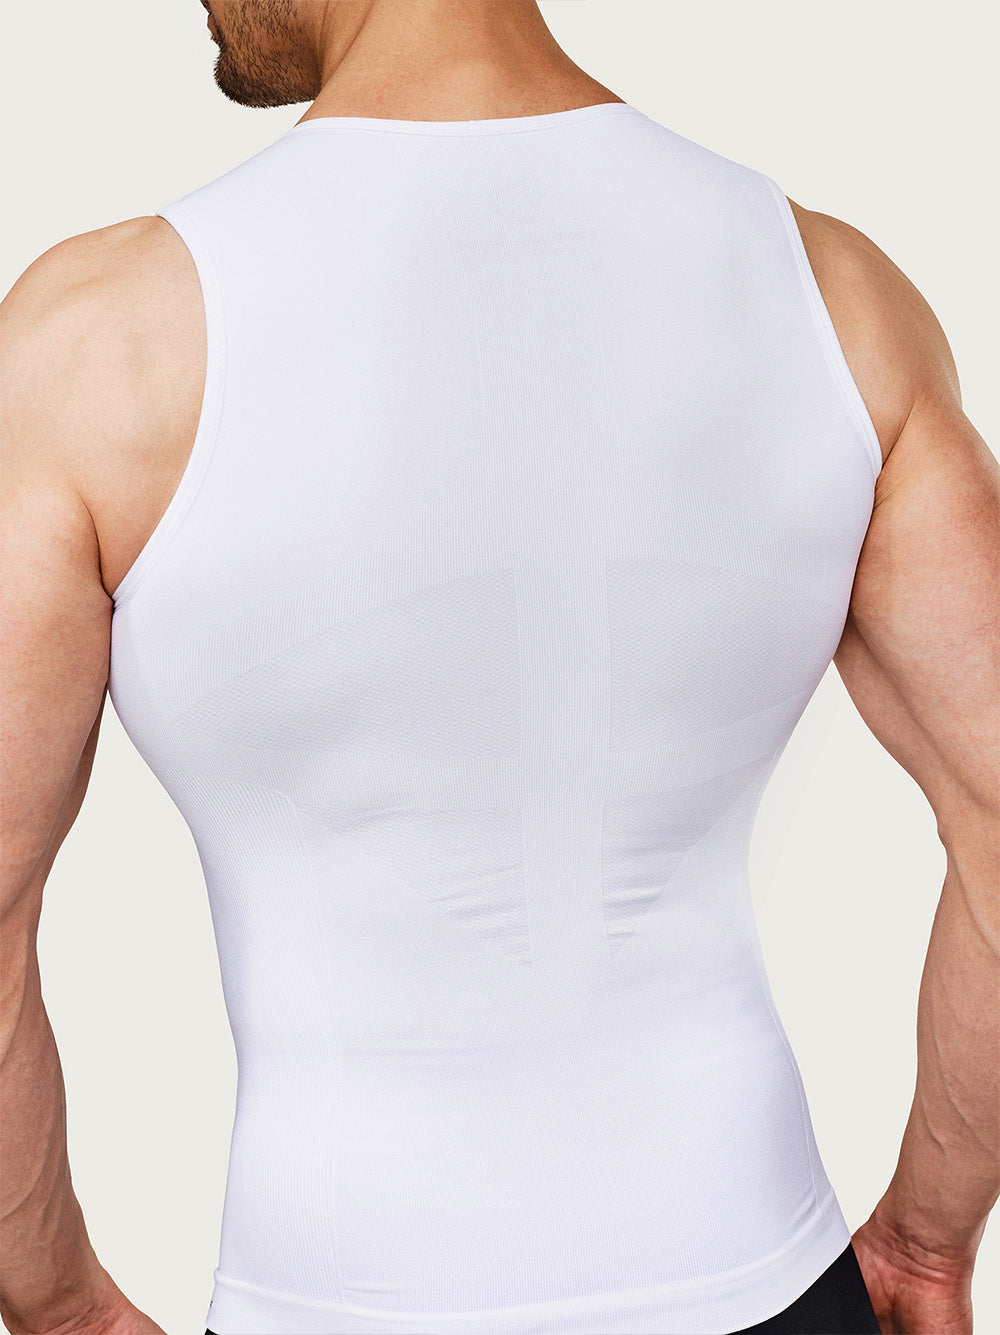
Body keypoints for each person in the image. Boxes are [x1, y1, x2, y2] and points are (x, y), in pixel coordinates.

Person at [1, 0, 997, 1332]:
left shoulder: (98, 343)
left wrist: (57, 1305)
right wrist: (927, 1242)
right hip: (770, 1273)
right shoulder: (836, 296)